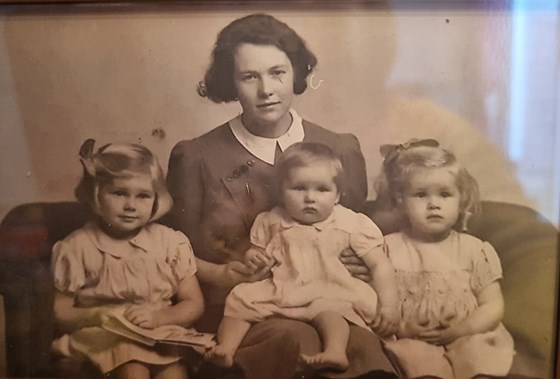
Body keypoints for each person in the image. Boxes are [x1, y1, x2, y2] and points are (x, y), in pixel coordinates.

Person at [165, 13, 395, 379]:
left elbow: (353, 232)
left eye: (277, 73)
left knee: (357, 344)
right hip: (246, 310)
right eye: (249, 77)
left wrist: (361, 265)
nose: (266, 89)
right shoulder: (195, 157)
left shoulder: (339, 148)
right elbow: (174, 253)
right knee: (295, 337)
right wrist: (225, 273)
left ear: (296, 74)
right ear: (230, 82)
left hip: (331, 300)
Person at [204, 142, 400, 371]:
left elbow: (380, 265)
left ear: (337, 195)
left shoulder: (351, 223)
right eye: (299, 188)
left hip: (330, 288)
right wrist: (253, 257)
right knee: (239, 300)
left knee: (330, 311)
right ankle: (226, 348)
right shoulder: (271, 220)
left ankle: (335, 351)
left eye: (322, 189)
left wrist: (389, 307)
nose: (310, 198)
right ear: (282, 192)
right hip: (283, 288)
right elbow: (256, 250)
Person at [51, 139, 204, 379]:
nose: (131, 205)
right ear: (96, 194)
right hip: (106, 335)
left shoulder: (171, 243)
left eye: (143, 196)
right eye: (119, 193)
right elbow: (60, 312)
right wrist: (96, 315)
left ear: (156, 199)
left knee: (173, 373)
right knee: (133, 370)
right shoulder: (77, 246)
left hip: (158, 330)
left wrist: (160, 317)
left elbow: (193, 303)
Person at [375, 138, 515, 378]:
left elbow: (493, 305)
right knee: (412, 359)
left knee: (477, 357)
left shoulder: (475, 249)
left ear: (461, 200)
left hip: (468, 335)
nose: (433, 204)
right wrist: (402, 327)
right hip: (413, 338)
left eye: (444, 194)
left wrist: (462, 329)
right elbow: (375, 305)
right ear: (401, 201)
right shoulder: (388, 248)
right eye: (420, 195)